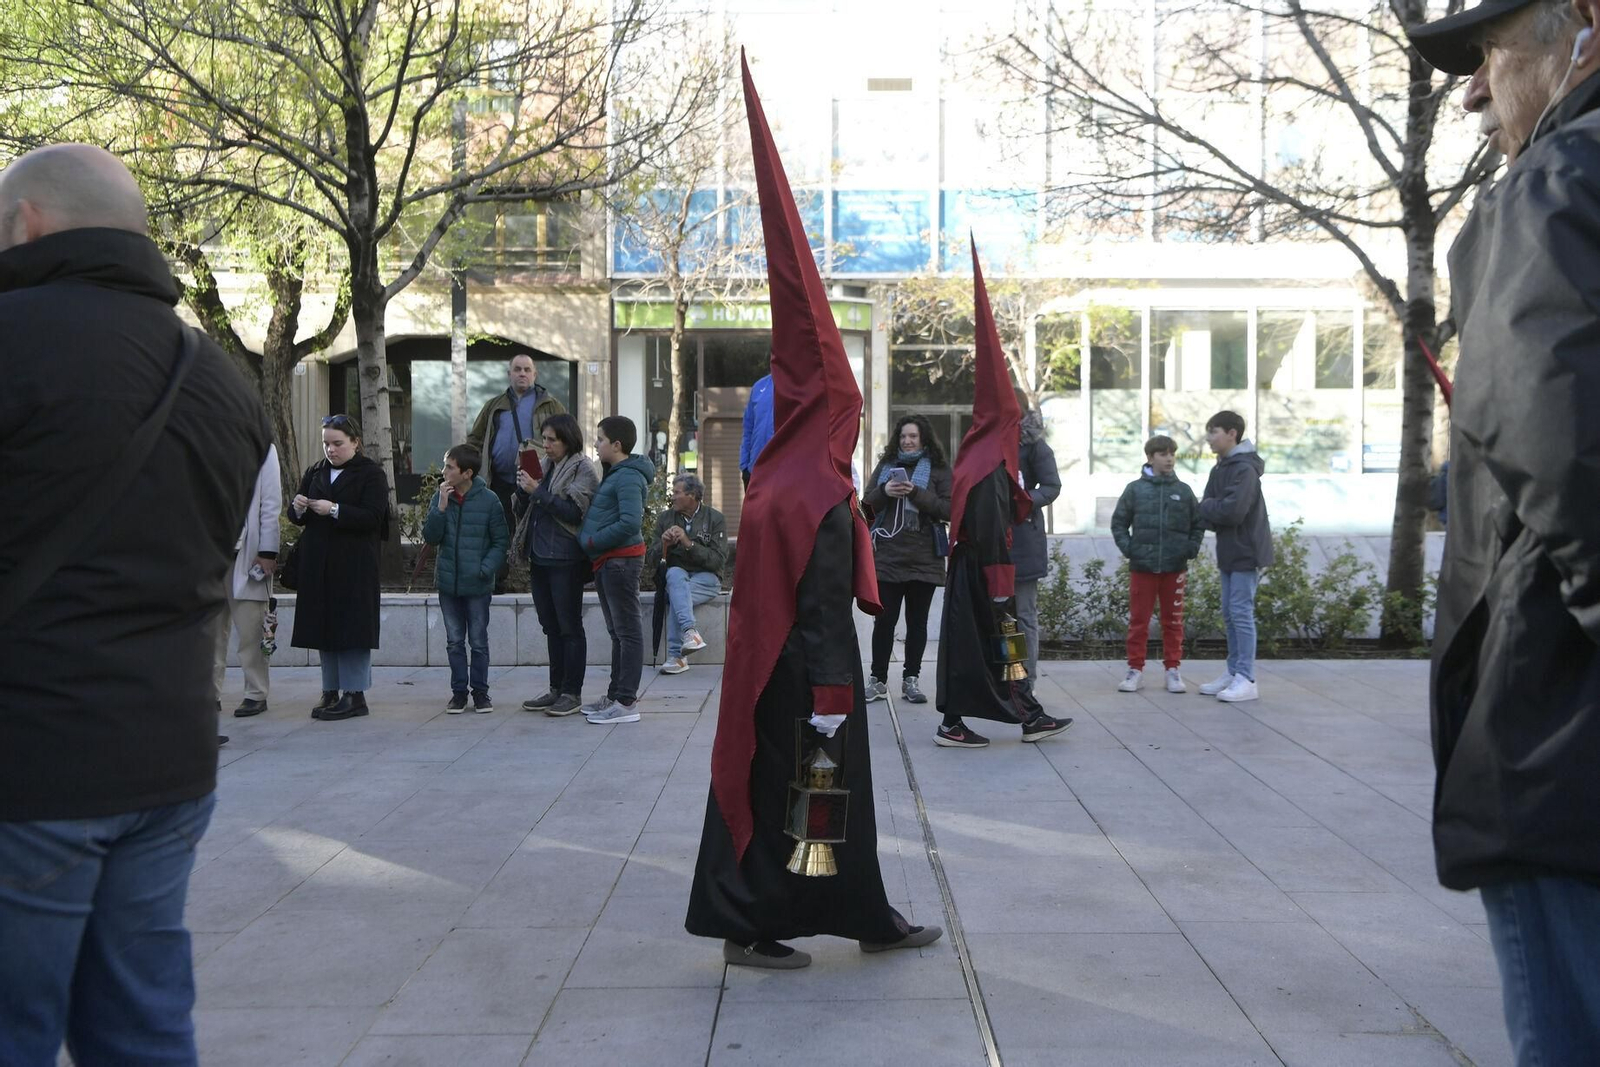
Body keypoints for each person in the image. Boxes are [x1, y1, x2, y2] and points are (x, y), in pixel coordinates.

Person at [0, 143, 268, 1066]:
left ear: (26, 222)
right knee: (143, 1027)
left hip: (28, 760)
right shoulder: (220, 377)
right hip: (170, 757)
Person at [688, 58, 940, 969]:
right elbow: (822, 606)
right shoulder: (817, 488)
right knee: (820, 796)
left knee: (794, 797)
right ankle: (814, 918)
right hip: (809, 678)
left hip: (776, 678)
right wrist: (836, 689)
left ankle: (783, 918)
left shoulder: (777, 481)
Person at [1407, 0, 1600, 1058]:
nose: (1474, 90)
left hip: (1561, 727)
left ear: (1586, 25)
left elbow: (1548, 433)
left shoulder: (1560, 177)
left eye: (1490, 54)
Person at [934, 242, 1074, 750]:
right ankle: (1028, 716)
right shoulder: (992, 464)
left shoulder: (978, 455)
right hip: (988, 572)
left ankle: (958, 721)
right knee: (1006, 640)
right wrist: (1000, 586)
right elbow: (991, 528)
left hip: (972, 570)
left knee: (968, 645)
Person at [289, 414, 391, 721]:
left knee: (351, 628)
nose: (330, 450)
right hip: (319, 563)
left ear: (355, 443)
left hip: (354, 564)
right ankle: (330, 689)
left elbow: (374, 517)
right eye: (326, 444)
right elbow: (298, 517)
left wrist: (335, 509)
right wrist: (297, 509)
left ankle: (355, 693)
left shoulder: (371, 474)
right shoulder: (316, 470)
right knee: (323, 626)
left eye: (337, 443)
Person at [862, 414, 953, 706]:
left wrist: (916, 493)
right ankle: (877, 680)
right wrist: (885, 492)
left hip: (924, 557)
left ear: (923, 438)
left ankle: (911, 679)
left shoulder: (939, 469)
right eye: (903, 436)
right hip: (888, 556)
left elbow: (949, 509)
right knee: (884, 621)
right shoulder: (886, 466)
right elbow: (864, 508)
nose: (907, 441)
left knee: (917, 623)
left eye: (912, 436)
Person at [516, 414, 599, 717]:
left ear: (568, 440)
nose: (546, 445)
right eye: (544, 439)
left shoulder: (582, 468)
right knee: (550, 625)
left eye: (552, 440)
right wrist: (523, 489)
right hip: (539, 555)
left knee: (569, 626)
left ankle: (571, 692)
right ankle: (555, 688)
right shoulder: (546, 466)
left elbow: (574, 512)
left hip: (566, 558)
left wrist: (537, 491)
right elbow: (529, 507)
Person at [1111, 435, 1203, 694]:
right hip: (1143, 568)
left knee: (1173, 622)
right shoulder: (1135, 490)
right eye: (1163, 454)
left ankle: (1172, 670)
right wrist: (1131, 550)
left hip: (1175, 568)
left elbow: (1198, 524)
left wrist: (1190, 549)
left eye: (1172, 453)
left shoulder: (1183, 491)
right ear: (1150, 458)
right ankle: (1135, 670)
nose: (1169, 459)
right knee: (1138, 621)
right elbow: (1119, 523)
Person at [578, 415, 654, 725]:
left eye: (600, 439)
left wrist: (593, 541)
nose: (596, 445)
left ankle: (625, 702)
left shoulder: (628, 477)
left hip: (620, 561)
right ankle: (615, 695)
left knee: (628, 633)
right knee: (618, 634)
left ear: (617, 445)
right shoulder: (617, 474)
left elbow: (630, 523)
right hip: (609, 561)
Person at [467, 352, 566, 588]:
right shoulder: (494, 405)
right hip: (499, 481)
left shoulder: (551, 405)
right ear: (509, 374)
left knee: (535, 528)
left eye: (527, 370)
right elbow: (475, 439)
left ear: (535, 374)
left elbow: (568, 439)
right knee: (499, 530)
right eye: (517, 369)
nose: (522, 373)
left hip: (536, 482)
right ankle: (498, 580)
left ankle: (535, 581)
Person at [423, 443, 508, 714]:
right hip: (448, 584)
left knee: (479, 642)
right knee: (454, 641)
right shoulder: (441, 497)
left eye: (449, 467)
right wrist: (441, 507)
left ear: (467, 473)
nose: (444, 471)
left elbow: (500, 542)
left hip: (478, 585)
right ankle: (458, 693)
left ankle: (480, 693)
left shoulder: (489, 501)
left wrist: (485, 569)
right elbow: (431, 536)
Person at [1196, 411, 1271, 703]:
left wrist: (1211, 506)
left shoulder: (1245, 469)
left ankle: (1246, 678)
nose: (1209, 438)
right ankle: (1233, 671)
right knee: (1229, 613)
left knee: (1240, 613)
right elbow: (1209, 512)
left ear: (1232, 434)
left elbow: (1233, 511)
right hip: (1228, 548)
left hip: (1246, 550)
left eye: (1214, 432)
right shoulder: (1220, 468)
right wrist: (1213, 507)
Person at [215, 444, 283, 718]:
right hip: (208, 553)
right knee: (208, 631)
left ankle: (255, 693)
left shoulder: (262, 447)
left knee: (252, 630)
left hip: (248, 555)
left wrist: (268, 551)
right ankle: (208, 693)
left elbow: (271, 504)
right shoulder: (202, 438)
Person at [650, 473, 728, 675]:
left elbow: (718, 561)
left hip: (707, 579)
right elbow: (650, 560)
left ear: (692, 495)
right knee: (675, 574)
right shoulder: (665, 518)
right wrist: (664, 545)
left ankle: (677, 656)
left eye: (677, 492)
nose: (672, 496)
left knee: (678, 595)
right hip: (677, 578)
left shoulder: (715, 519)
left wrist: (688, 543)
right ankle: (690, 633)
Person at [1013, 405, 1062, 699]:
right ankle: (1008, 675)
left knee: (1023, 616)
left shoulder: (1035, 446)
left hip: (1023, 539)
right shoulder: (988, 440)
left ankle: (1025, 680)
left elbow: (1052, 486)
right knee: (1002, 619)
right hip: (993, 540)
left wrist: (1023, 499)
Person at [739, 370, 774, 489]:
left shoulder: (797, 385)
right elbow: (748, 429)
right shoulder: (759, 386)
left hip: (782, 471)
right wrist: (745, 467)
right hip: (754, 471)